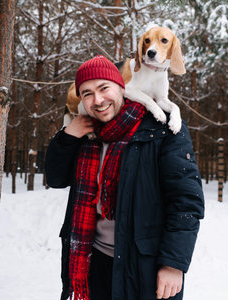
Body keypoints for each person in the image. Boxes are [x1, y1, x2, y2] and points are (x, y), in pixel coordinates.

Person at [45, 55, 204, 300]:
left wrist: (173, 264)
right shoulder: (85, 132)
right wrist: (67, 137)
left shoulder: (160, 128)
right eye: (86, 93)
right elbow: (56, 178)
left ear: (121, 87)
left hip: (144, 265)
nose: (97, 100)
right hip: (92, 262)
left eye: (104, 88)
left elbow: (186, 202)